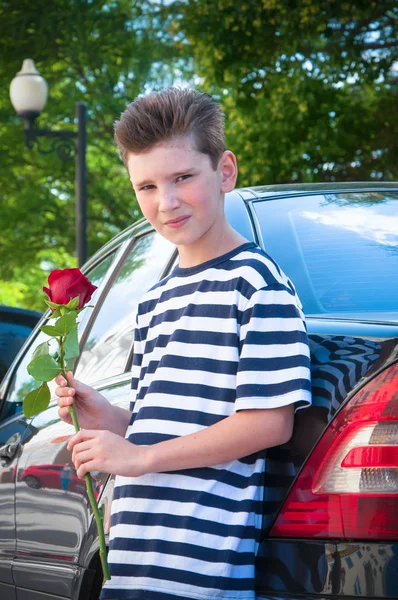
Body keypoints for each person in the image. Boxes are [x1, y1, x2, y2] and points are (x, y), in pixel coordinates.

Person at [55, 87, 312, 600]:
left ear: (225, 172)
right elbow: (163, 426)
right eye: (145, 186)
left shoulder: (256, 283)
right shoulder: (154, 300)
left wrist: (138, 459)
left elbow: (269, 421)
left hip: (199, 575)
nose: (165, 202)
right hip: (130, 563)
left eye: (182, 178)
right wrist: (108, 417)